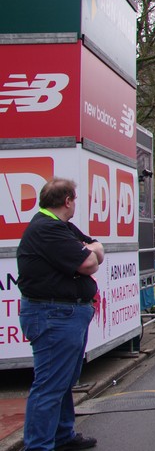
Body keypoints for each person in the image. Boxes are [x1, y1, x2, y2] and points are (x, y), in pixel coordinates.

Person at [16, 178, 103, 451]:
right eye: (74, 199)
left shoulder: (60, 226)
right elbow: (90, 260)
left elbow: (95, 247)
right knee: (51, 385)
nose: (75, 204)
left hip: (63, 313)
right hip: (54, 314)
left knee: (63, 381)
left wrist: (91, 250)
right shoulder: (48, 228)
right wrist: (90, 251)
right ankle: (39, 445)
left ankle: (62, 434)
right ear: (67, 201)